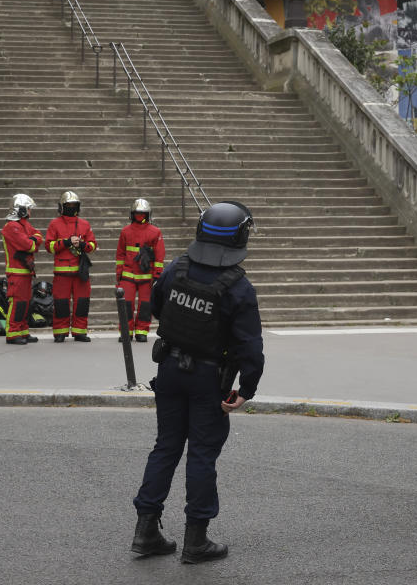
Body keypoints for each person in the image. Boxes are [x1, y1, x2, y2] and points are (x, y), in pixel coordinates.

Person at [131, 201, 264, 564]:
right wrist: (246, 391)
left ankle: (145, 532)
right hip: (209, 378)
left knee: (166, 447)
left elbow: (158, 307)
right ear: (240, 237)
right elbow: (250, 348)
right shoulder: (238, 287)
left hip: (170, 371)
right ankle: (196, 541)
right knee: (202, 454)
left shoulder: (176, 268)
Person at [45, 191, 97, 342]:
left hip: (80, 272)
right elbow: (49, 246)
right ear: (62, 206)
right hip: (62, 273)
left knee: (82, 303)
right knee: (61, 303)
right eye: (68, 205)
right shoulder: (54, 224)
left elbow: (93, 246)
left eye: (74, 205)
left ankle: (79, 332)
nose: (71, 207)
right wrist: (66, 242)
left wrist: (82, 244)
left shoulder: (85, 224)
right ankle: (60, 332)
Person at [116, 198, 165, 340]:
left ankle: (142, 332)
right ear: (132, 214)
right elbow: (120, 254)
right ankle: (126, 332)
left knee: (145, 305)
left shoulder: (155, 232)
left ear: (148, 215)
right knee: (126, 304)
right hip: (128, 275)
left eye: (142, 214)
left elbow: (159, 256)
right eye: (137, 213)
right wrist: (119, 274)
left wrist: (157, 275)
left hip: (146, 276)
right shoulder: (125, 231)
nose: (140, 216)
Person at [0, 193, 43, 345]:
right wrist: (33, 242)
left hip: (25, 272)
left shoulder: (24, 225)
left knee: (25, 304)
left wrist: (34, 240)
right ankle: (12, 333)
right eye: (29, 209)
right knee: (17, 303)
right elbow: (28, 245)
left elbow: (38, 236)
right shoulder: (11, 227)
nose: (30, 212)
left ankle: (23, 331)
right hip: (16, 273)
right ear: (21, 209)